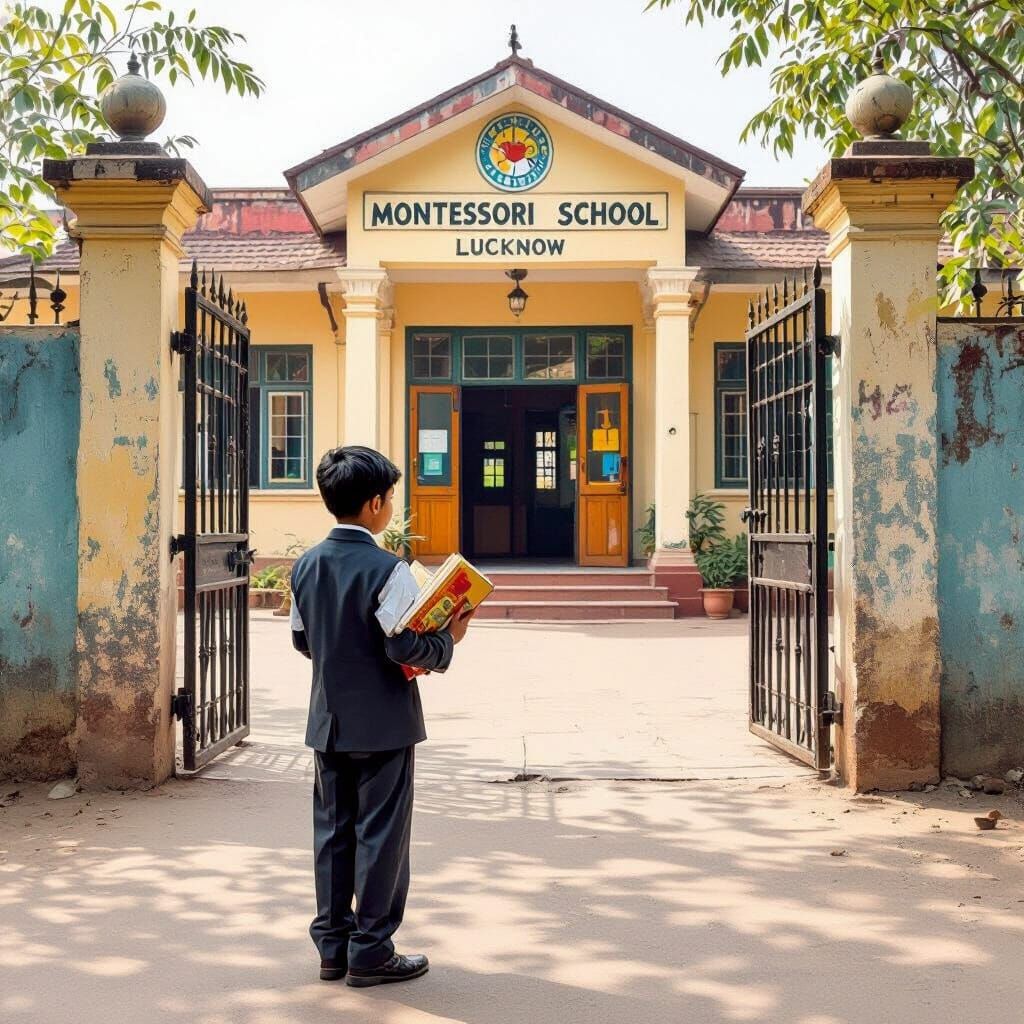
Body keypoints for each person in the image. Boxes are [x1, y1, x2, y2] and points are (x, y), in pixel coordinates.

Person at [289, 445, 474, 987]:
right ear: (375, 504)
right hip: (386, 724)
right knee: (382, 835)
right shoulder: (391, 570)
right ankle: (371, 950)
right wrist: (447, 640)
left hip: (328, 721)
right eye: (390, 497)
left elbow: (304, 640)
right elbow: (401, 647)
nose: (390, 506)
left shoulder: (304, 565)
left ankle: (332, 946)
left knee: (333, 832)